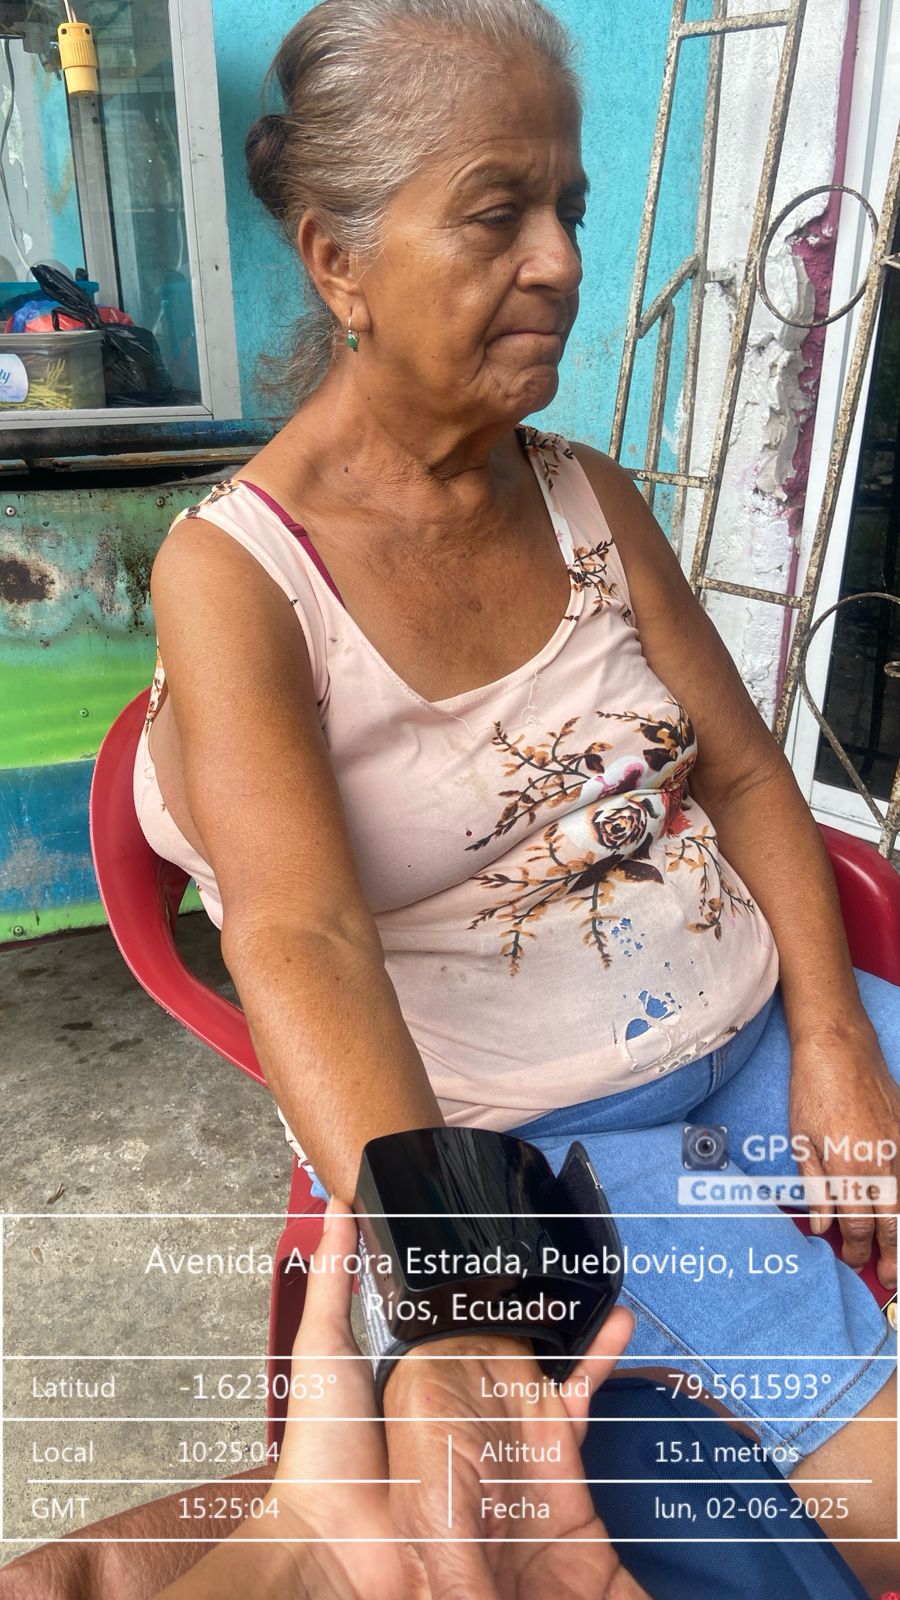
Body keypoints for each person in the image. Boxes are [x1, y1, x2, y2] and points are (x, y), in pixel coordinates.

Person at [133, 1, 900, 1593]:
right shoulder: (239, 580)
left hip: (763, 1028)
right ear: (338, 259)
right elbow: (298, 940)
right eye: (498, 213)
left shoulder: (585, 495)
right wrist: (463, 1292)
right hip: (549, 1142)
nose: (558, 261)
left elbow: (746, 770)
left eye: (570, 209)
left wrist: (835, 1042)